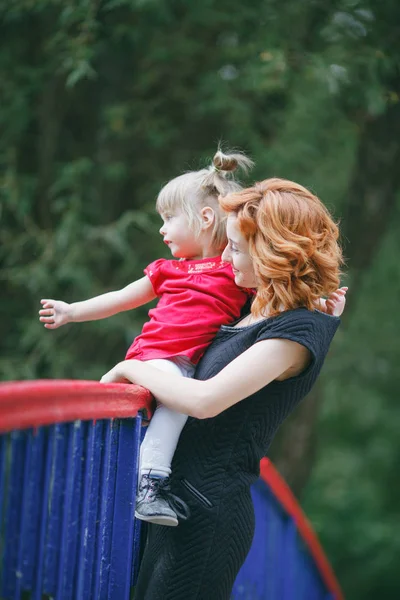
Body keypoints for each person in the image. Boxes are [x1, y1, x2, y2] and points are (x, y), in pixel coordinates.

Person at [100, 176, 346, 600]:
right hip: (173, 503)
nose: (224, 256)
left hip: (207, 516)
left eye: (234, 248)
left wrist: (130, 367)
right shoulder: (258, 310)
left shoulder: (295, 333)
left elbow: (204, 400)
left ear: (269, 251)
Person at [39, 150, 254, 526]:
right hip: (155, 358)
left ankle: (142, 481)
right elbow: (120, 299)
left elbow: (272, 296)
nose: (162, 229)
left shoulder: (235, 270)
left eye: (169, 219)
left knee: (181, 402)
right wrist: (71, 311)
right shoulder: (167, 270)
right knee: (178, 404)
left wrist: (313, 301)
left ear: (205, 219)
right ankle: (150, 484)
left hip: (188, 368)